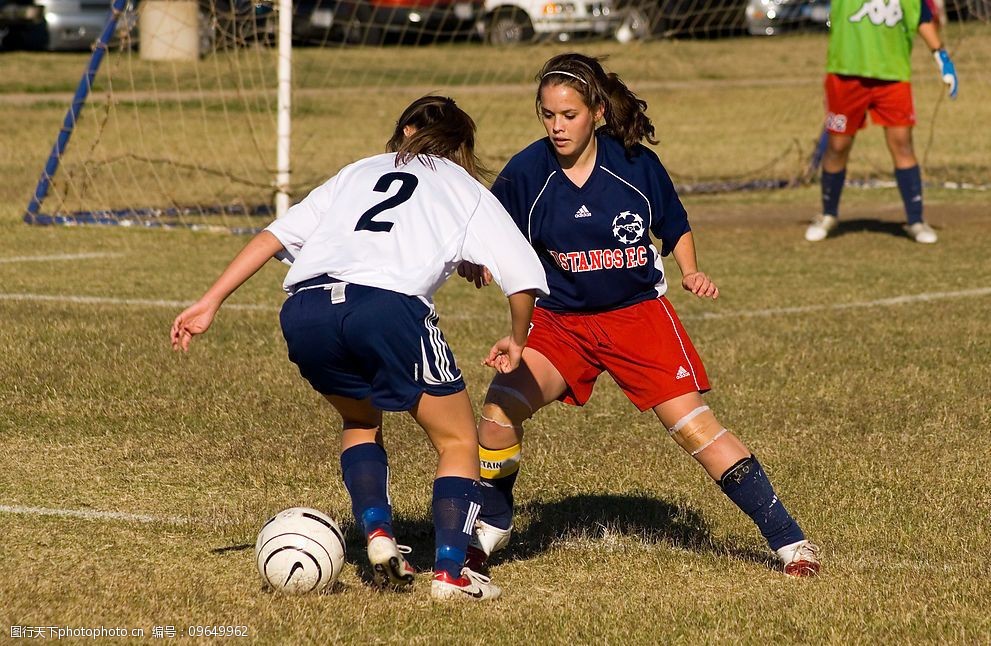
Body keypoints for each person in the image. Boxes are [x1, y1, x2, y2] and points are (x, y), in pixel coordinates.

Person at [170, 95, 549, 601]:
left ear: (406, 129)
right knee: (457, 441)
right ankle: (452, 574)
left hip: (307, 310)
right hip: (385, 310)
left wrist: (210, 301)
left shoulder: (357, 171)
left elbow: (272, 236)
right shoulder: (462, 185)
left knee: (360, 420)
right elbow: (522, 275)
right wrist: (517, 338)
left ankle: (377, 534)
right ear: (461, 148)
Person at [457, 53, 821, 577]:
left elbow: (675, 224)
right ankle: (492, 526)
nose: (558, 127)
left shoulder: (634, 165)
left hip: (636, 318)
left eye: (570, 115)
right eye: (548, 115)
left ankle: (791, 542)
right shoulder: (526, 172)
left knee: (697, 431)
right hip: (561, 323)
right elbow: (493, 230)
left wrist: (691, 269)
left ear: (597, 112)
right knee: (498, 409)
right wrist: (477, 260)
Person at [805, 0, 958, 244]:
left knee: (902, 143)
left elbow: (922, 19)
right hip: (846, 75)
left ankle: (916, 220)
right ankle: (828, 214)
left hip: (893, 76)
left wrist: (943, 59)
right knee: (838, 146)